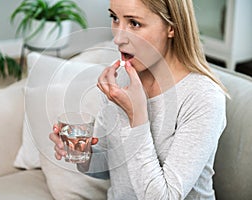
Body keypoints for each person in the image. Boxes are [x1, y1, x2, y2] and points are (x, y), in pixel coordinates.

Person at [50, 0, 227, 199]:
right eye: (115, 18)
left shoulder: (203, 97)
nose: (118, 38)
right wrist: (81, 152)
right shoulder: (121, 77)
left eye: (134, 23)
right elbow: (114, 166)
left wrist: (136, 116)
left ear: (171, 27)